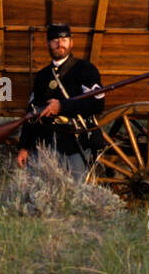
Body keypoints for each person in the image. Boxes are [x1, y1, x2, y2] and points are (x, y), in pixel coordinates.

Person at [16, 23, 105, 180]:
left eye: (64, 39)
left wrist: (62, 106)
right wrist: (24, 147)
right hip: (46, 144)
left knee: (77, 193)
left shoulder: (86, 69)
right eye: (55, 40)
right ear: (48, 44)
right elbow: (31, 113)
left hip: (76, 143)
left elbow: (97, 105)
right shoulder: (42, 76)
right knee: (38, 190)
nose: (59, 43)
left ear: (71, 43)